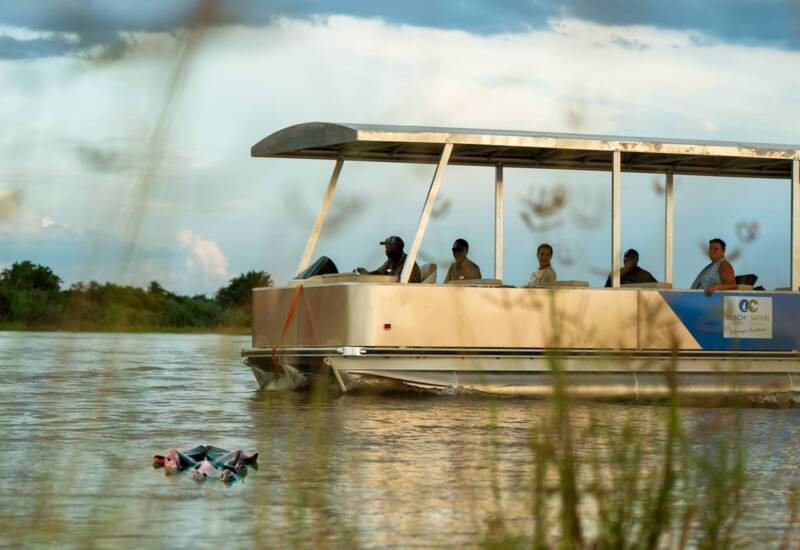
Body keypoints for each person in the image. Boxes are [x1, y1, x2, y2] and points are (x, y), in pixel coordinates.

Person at [356, 235, 421, 283]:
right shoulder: (391, 261)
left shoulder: (409, 264)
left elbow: (402, 284)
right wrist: (367, 274)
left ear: (399, 248)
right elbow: (379, 272)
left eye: (389, 247)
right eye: (386, 248)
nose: (387, 250)